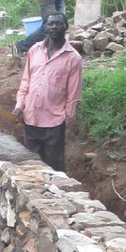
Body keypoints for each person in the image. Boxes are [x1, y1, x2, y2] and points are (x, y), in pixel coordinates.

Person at [13, 12, 82, 173]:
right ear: (46, 27)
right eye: (51, 24)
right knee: (31, 166)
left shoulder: (73, 58)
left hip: (54, 123)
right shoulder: (34, 51)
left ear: (66, 27)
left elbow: (73, 95)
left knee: (54, 167)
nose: (54, 27)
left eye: (59, 24)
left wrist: (66, 119)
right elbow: (25, 82)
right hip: (30, 118)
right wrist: (19, 106)